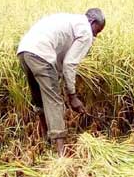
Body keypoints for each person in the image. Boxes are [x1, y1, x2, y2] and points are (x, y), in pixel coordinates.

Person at [17, 9, 106, 156]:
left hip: (24, 51)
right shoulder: (85, 31)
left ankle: (46, 140)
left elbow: (59, 59)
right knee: (54, 101)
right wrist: (72, 96)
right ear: (92, 22)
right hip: (42, 54)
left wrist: (61, 83)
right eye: (97, 31)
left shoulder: (69, 20)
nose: (95, 35)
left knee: (39, 99)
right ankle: (61, 154)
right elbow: (70, 64)